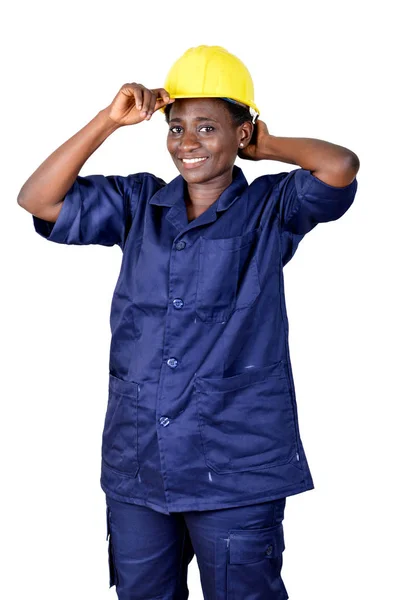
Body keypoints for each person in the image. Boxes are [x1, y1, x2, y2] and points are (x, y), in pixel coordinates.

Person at [17, 45, 360, 600]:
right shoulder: (138, 202)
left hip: (236, 458)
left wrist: (264, 145)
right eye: (176, 128)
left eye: (207, 127)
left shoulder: (272, 209)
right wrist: (109, 120)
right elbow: (38, 199)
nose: (188, 142)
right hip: (139, 458)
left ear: (240, 132)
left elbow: (339, 167)